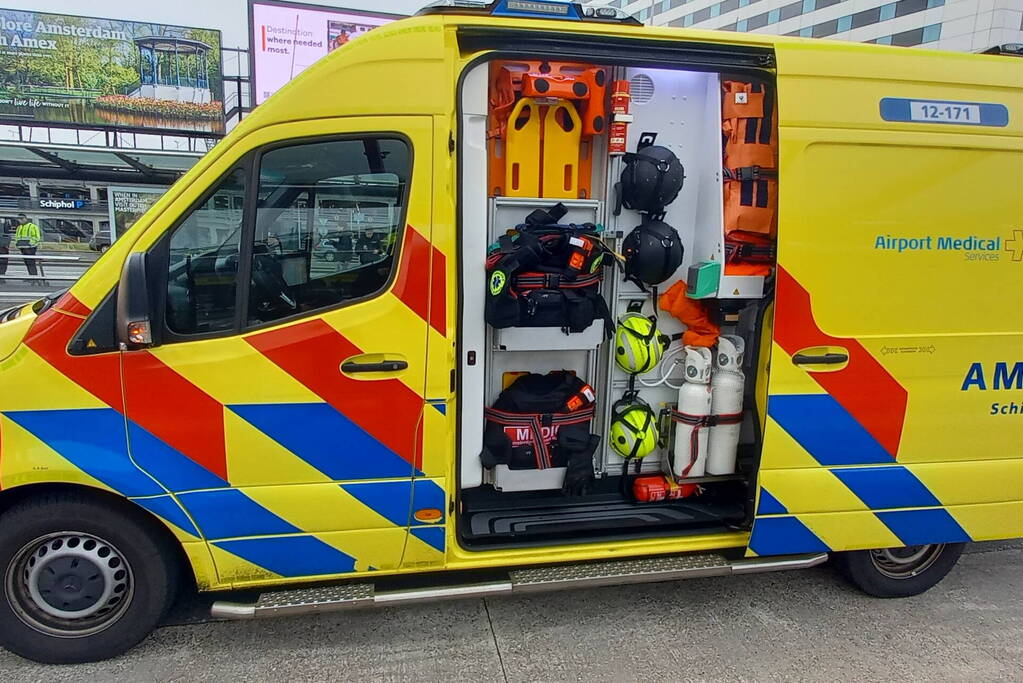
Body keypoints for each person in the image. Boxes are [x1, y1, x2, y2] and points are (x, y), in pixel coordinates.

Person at [14, 214, 41, 279]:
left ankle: (34, 277)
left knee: (31, 262)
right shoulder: (19, 227)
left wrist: (29, 244)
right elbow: (17, 237)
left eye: (22, 219)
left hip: (30, 248)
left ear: (26, 218)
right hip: (22, 247)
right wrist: (17, 244)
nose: (20, 220)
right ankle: (31, 276)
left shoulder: (32, 226)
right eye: (19, 219)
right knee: (27, 262)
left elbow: (37, 237)